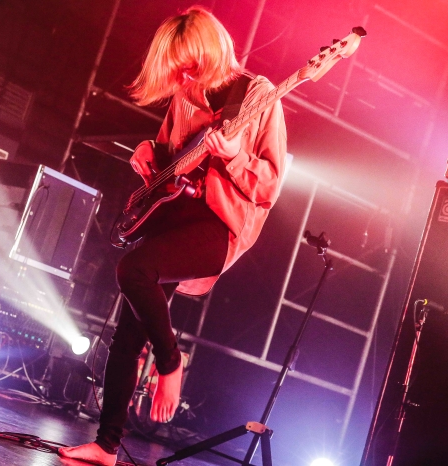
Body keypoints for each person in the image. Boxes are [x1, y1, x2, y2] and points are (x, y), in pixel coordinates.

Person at [59, 6, 287, 466]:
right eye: (177, 68)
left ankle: (169, 361)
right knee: (127, 333)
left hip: (218, 226)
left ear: (211, 51)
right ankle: (107, 446)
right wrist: (147, 151)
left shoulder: (258, 95)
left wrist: (235, 155)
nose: (183, 76)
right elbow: (169, 155)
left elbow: (270, 186)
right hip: (174, 215)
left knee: (133, 269)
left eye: (189, 65)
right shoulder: (185, 93)